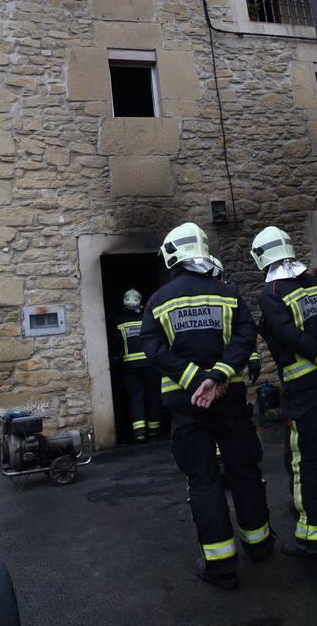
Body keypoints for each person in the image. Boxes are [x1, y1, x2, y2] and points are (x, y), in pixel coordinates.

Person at [141, 223, 273, 589]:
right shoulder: (229, 294)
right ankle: (260, 545)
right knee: (244, 471)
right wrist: (218, 376)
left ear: (172, 255)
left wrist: (194, 379)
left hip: (187, 405)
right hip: (229, 400)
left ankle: (221, 565)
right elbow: (245, 336)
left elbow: (152, 348)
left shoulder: (158, 301)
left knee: (203, 479)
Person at [251, 226, 317, 558]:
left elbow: (288, 334)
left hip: (306, 393)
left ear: (261, 257)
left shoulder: (271, 293)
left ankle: (313, 535)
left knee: (306, 460)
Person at [115, 289, 161, 442]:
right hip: (150, 364)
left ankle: (140, 432)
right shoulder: (146, 319)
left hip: (130, 367)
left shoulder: (120, 322)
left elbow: (116, 345)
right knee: (153, 395)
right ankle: (154, 429)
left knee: (136, 397)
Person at [211, 256, 261, 384]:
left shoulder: (231, 296)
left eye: (218, 277)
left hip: (231, 373)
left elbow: (245, 329)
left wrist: (253, 359)